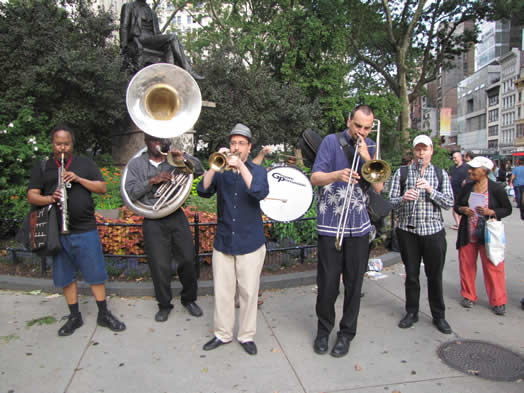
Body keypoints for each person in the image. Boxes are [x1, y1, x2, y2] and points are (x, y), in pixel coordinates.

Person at [27, 125, 126, 336]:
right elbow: (31, 195)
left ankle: (103, 313)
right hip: (57, 231)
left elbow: (102, 188)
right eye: (58, 143)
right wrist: (49, 198)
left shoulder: (85, 164)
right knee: (65, 276)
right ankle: (74, 316)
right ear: (52, 143)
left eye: (66, 143)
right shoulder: (43, 167)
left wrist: (79, 179)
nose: (62, 147)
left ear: (72, 143)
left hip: (85, 228)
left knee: (96, 273)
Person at [310, 105, 383, 358]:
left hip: (359, 227)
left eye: (367, 127)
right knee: (328, 284)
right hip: (331, 225)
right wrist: (336, 175)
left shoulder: (371, 146)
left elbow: (379, 187)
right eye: (357, 126)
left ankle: (346, 334)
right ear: (349, 121)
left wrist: (366, 157)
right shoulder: (331, 142)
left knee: (354, 284)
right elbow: (315, 178)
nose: (361, 132)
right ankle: (323, 331)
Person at [198, 123, 269, 355]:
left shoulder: (257, 171)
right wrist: (214, 166)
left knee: (249, 293)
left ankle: (246, 336)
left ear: (249, 147)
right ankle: (222, 334)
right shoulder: (222, 172)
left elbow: (258, 191)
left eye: (241, 143)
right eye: (233, 143)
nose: (236, 147)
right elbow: (202, 190)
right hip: (224, 240)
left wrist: (241, 166)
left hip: (250, 242)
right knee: (223, 292)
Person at [124, 133, 203, 322]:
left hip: (175, 214)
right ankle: (164, 305)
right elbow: (131, 193)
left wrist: (183, 157)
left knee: (187, 259)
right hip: (152, 218)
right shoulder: (135, 165)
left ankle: (189, 299)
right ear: (146, 142)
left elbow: (199, 170)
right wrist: (152, 181)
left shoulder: (172, 160)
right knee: (159, 265)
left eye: (162, 139)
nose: (159, 144)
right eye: (154, 140)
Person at [388, 135, 454, 334]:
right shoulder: (402, 172)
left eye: (425, 149)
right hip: (408, 232)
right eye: (418, 149)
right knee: (412, 275)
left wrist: (430, 190)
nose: (421, 153)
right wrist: (403, 198)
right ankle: (411, 312)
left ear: (431, 151)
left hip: (433, 232)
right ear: (414, 151)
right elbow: (389, 201)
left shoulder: (440, 174)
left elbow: (449, 203)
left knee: (435, 276)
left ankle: (439, 316)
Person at [454, 156, 512, 315]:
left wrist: (492, 212)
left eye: (474, 169)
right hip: (468, 233)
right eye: (470, 168)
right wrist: (463, 210)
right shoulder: (467, 187)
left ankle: (498, 301)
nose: (470, 171)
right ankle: (468, 295)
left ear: (484, 171)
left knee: (494, 267)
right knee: (466, 265)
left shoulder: (497, 188)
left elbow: (507, 209)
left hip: (489, 235)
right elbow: (457, 205)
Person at [119, 0, 203, 79]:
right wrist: (123, 47)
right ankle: (188, 70)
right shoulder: (129, 6)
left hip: (151, 39)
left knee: (169, 45)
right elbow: (124, 27)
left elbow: (158, 33)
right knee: (173, 37)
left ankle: (169, 77)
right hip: (139, 38)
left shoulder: (152, 12)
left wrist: (168, 42)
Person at [449, 152, 469, 230]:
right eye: (453, 158)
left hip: (464, 191)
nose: (454, 159)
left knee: (462, 208)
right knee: (455, 207)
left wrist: (466, 180)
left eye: (455, 157)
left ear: (460, 157)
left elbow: (470, 176)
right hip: (454, 191)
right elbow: (450, 177)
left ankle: (461, 224)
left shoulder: (466, 167)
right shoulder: (452, 167)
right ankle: (458, 224)